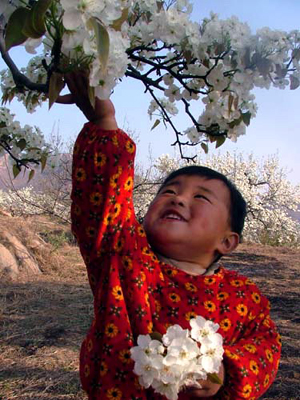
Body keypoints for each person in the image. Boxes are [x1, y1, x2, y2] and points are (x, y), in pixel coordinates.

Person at [60, 73, 281, 399]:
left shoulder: (242, 296)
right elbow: (101, 202)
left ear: (227, 241)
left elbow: (265, 345)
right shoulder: (124, 255)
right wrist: (104, 123)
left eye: (201, 197)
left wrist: (226, 370)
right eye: (169, 191)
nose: (179, 198)